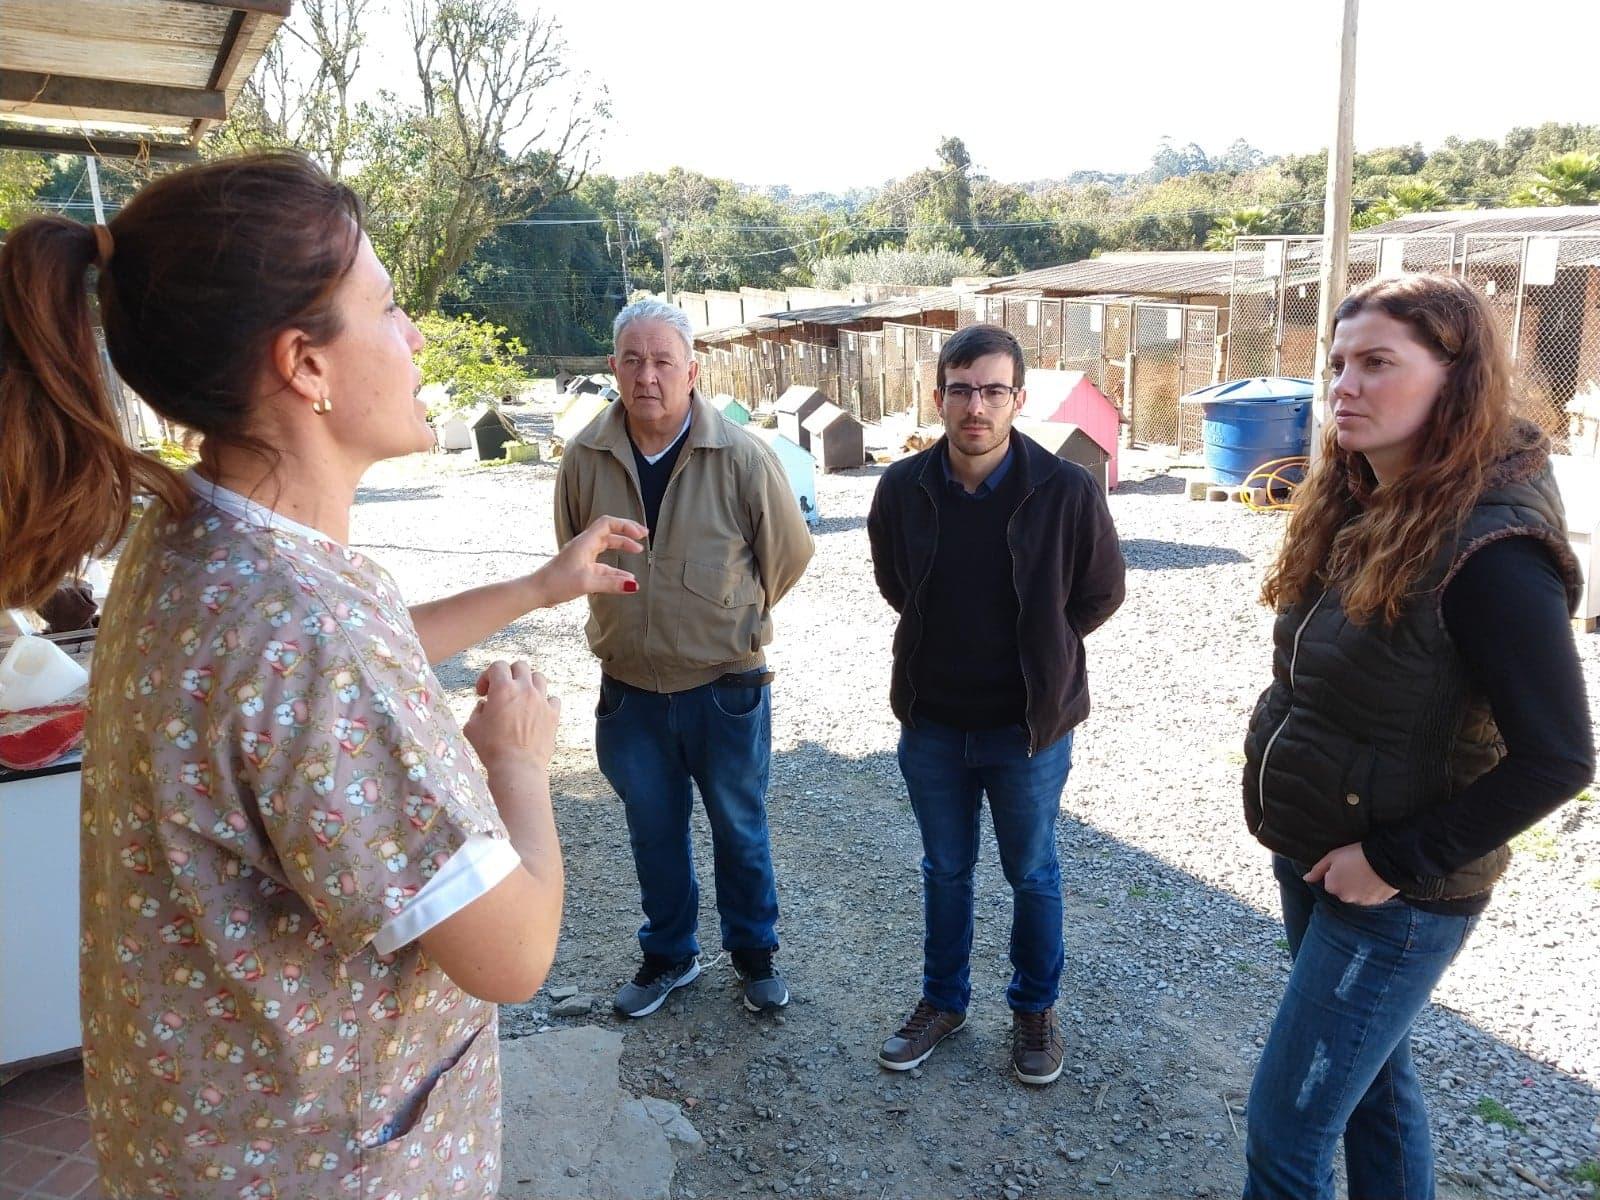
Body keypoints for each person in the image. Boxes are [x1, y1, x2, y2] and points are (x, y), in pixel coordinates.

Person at [0, 152, 646, 1199]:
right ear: (305, 363)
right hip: (316, 1164)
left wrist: (539, 585)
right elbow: (512, 954)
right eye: (389, 309)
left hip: (208, 1145)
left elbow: (334, 681)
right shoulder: (304, 633)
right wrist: (516, 763)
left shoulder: (199, 536)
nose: (417, 337)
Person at [1240, 273, 1594, 1200]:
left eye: (1377, 365)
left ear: (1455, 379)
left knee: (1286, 1130)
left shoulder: (1493, 548)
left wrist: (1394, 858)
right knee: (1372, 1096)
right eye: (1337, 366)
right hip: (1321, 852)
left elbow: (1560, 756)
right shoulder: (1370, 498)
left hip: (1395, 893)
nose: (1343, 388)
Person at [866, 323, 1125, 1085]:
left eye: (991, 391)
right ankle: (943, 1003)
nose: (974, 406)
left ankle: (1034, 1011)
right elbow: (895, 584)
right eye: (960, 389)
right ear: (938, 395)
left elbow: (1101, 591)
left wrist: (1045, 646)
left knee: (1033, 874)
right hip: (934, 724)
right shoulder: (901, 488)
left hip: (1029, 731)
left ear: (1018, 398)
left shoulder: (1066, 489)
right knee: (944, 871)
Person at [555, 298, 813, 1019]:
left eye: (663, 360)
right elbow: (571, 555)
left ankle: (755, 956)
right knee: (653, 830)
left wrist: (732, 616)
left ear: (692, 371)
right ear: (612, 368)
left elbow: (787, 555)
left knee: (740, 824)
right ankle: (670, 955)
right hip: (630, 692)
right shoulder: (585, 459)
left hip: (726, 687)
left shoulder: (742, 455)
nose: (647, 376)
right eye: (632, 360)